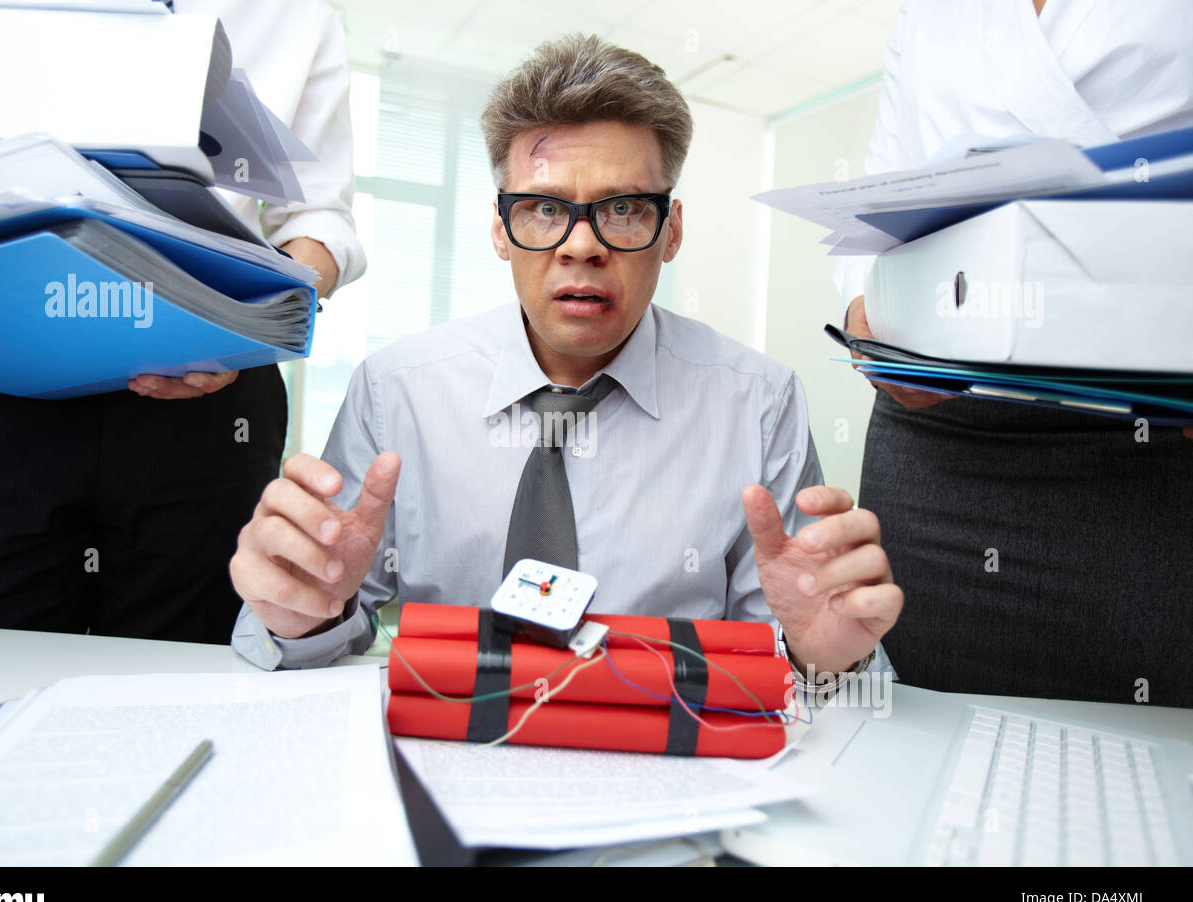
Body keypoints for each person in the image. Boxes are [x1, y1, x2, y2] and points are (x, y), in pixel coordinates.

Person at [228, 34, 903, 690]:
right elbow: (318, 623)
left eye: (624, 209)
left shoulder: (760, 403)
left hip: (670, 768)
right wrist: (299, 614)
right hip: (447, 755)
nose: (582, 246)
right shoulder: (396, 391)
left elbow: (786, 660)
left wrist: (825, 662)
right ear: (500, 230)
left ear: (671, 231)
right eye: (545, 209)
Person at [0, 0, 364, 643]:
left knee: (188, 682)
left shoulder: (298, 12)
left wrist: (247, 320)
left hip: (204, 396)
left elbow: (320, 219)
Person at [833, 0, 1193, 705]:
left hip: (1144, 440)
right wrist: (862, 317)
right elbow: (882, 195)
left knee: (1152, 741)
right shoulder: (925, 14)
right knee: (933, 720)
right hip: (937, 435)